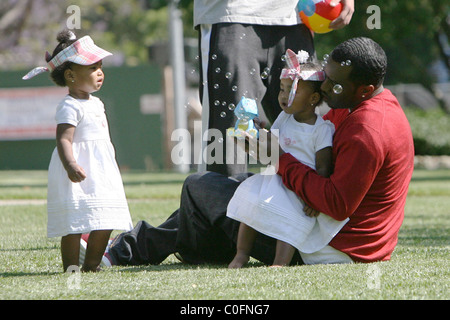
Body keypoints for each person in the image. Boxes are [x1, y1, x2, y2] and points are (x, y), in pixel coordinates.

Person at [105, 37, 413, 267]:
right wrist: (263, 143)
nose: (323, 87)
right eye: (325, 77)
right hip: (329, 230)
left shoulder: (368, 129)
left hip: (325, 246)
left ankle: (137, 249)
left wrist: (278, 159)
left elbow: (336, 203)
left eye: (333, 84)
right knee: (233, 185)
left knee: (199, 188)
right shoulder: (360, 105)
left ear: (364, 90)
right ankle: (146, 247)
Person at [194, 0, 355, 176]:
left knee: (306, 132)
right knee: (230, 136)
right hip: (232, 13)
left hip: (297, 16)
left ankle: (311, 201)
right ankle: (219, 202)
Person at [23, 30, 133, 272]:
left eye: (100, 66)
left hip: (101, 171)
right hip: (77, 169)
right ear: (71, 75)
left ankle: (92, 265)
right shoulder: (69, 105)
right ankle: (71, 266)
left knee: (105, 218)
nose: (100, 72)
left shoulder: (97, 103)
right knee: (75, 224)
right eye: (93, 68)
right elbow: (64, 138)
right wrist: (70, 164)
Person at [227, 49, 348, 268]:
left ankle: (280, 263)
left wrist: (314, 198)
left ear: (313, 98)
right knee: (252, 208)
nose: (283, 96)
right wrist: (255, 134)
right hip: (276, 178)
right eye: (282, 89)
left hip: (301, 187)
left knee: (289, 221)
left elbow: (323, 166)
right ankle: (241, 254)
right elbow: (273, 144)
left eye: (291, 90)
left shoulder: (321, 129)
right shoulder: (284, 118)